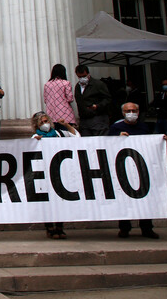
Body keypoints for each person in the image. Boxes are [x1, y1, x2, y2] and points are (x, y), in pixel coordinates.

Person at [108, 102, 166, 239]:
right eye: (128, 111)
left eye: (134, 110)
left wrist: (160, 140)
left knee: (146, 200)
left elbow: (150, 142)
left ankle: (147, 228)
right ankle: (124, 228)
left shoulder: (144, 127)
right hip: (123, 169)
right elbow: (107, 143)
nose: (131, 113)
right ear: (123, 113)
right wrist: (117, 137)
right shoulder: (116, 128)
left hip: (141, 168)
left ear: (138, 112)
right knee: (125, 200)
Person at [30, 111, 79, 239]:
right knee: (48, 202)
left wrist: (66, 125)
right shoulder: (35, 137)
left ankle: (59, 227)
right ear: (37, 125)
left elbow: (76, 137)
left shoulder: (59, 134)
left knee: (59, 201)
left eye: (46, 121)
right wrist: (35, 142)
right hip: (44, 173)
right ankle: (49, 227)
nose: (45, 124)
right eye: (41, 122)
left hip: (59, 172)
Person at [74, 65, 111, 136]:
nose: (82, 78)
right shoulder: (78, 86)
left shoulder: (98, 84)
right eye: (80, 77)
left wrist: (97, 106)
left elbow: (107, 99)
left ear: (88, 74)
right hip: (84, 120)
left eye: (84, 76)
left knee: (99, 139)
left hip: (98, 117)